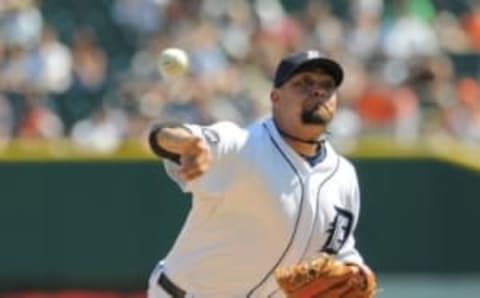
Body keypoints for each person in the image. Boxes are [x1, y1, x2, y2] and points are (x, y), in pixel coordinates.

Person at [147, 50, 375, 298]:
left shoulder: (344, 176)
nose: (318, 91)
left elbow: (338, 249)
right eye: (303, 83)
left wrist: (355, 270)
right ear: (275, 97)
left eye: (327, 86)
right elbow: (162, 134)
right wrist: (187, 144)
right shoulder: (242, 145)